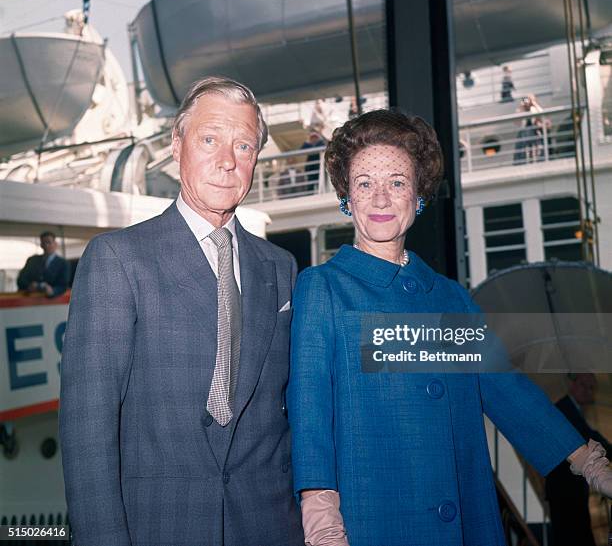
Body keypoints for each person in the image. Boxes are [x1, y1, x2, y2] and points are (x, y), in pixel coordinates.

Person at [287, 109, 612, 546]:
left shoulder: (449, 297)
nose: (381, 199)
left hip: (466, 521)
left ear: (418, 195)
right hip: (371, 523)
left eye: (397, 183)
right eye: (365, 183)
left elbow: (505, 389)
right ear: (347, 197)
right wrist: (319, 509)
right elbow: (310, 408)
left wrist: (587, 460)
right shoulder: (323, 288)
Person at [59, 77, 304, 546]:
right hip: (158, 527)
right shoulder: (117, 260)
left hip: (268, 527)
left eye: (244, 145)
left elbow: (289, 412)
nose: (227, 161)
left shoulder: (281, 267)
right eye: (210, 139)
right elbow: (87, 430)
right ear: (177, 147)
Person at [546, 373, 612, 546]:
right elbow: (588, 436)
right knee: (573, 535)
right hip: (564, 488)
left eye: (591, 388)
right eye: (584, 385)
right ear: (572, 384)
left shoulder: (573, 409)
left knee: (575, 533)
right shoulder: (564, 408)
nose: (588, 391)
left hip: (570, 487)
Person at [17, 231, 70, 298]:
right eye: (44, 243)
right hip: (30, 299)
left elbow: (63, 285)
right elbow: (21, 280)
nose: (46, 245)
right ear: (41, 245)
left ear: (55, 244)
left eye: (49, 242)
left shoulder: (63, 263)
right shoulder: (32, 260)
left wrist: (53, 291)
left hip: (52, 302)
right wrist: (29, 286)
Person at [513, 94, 549, 164]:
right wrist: (521, 107)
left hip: (535, 134)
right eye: (525, 100)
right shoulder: (521, 110)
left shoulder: (535, 109)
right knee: (523, 152)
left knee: (537, 152)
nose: (527, 102)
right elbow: (516, 122)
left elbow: (543, 117)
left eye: (529, 99)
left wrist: (534, 104)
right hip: (524, 135)